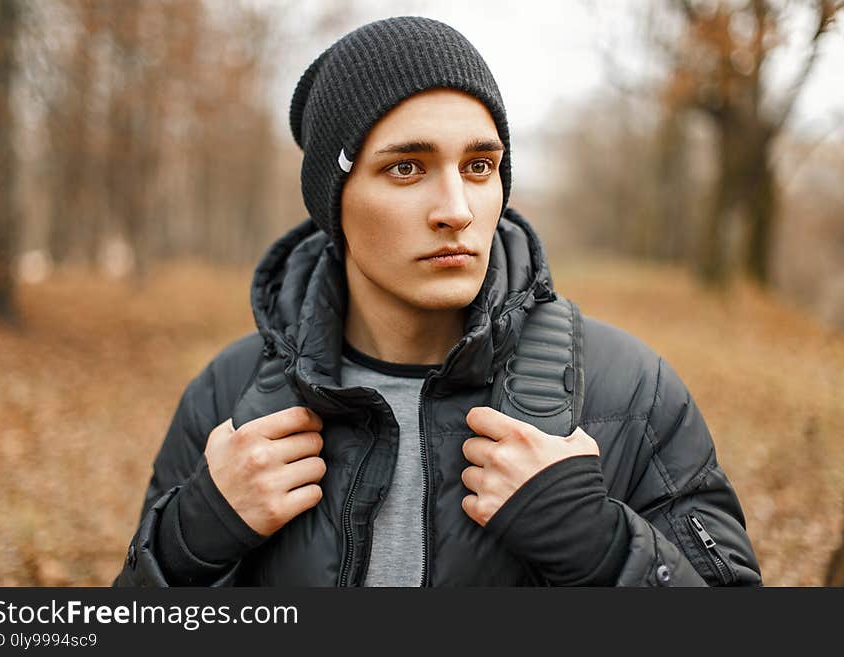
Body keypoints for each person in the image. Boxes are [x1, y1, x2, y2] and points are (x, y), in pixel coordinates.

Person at [113, 16, 762, 587]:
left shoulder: (629, 394)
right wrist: (185, 544)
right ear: (334, 201)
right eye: (407, 167)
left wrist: (604, 547)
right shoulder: (230, 399)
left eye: (479, 166)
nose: (456, 210)